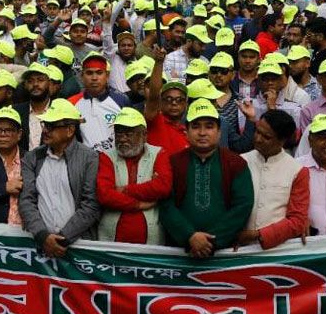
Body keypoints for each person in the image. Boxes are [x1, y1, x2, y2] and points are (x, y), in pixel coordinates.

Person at [159, 99, 254, 257]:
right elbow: (165, 205)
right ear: (186, 131)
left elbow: (243, 206)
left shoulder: (236, 163)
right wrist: (189, 236)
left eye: (209, 126)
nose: (202, 133)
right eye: (196, 126)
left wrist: (209, 241)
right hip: (179, 252)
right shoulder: (173, 163)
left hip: (223, 252)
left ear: (219, 132)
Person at [18, 99, 100, 257]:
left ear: (70, 130)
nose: (45, 130)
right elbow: (27, 200)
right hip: (40, 245)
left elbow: (91, 205)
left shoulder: (89, 158)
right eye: (44, 125)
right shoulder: (32, 158)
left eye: (51, 126)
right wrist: (43, 237)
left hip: (78, 245)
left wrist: (60, 240)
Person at [95, 107, 172, 244]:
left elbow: (162, 187)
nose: (122, 139)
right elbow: (105, 194)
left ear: (144, 135)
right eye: (118, 133)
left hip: (151, 242)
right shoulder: (106, 156)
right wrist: (138, 204)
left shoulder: (158, 154)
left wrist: (124, 190)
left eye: (129, 134)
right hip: (111, 241)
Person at [239, 110, 310, 249]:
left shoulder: (297, 170)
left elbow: (297, 220)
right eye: (257, 132)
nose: (258, 139)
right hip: (239, 248)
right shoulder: (240, 162)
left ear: (282, 140)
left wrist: (258, 235)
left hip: (278, 250)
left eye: (266, 136)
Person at [68, 52, 130, 152]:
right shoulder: (71, 103)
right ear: (82, 76)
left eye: (99, 72)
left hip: (116, 162)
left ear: (107, 75)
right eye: (89, 73)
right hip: (87, 163)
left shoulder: (121, 100)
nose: (94, 78)